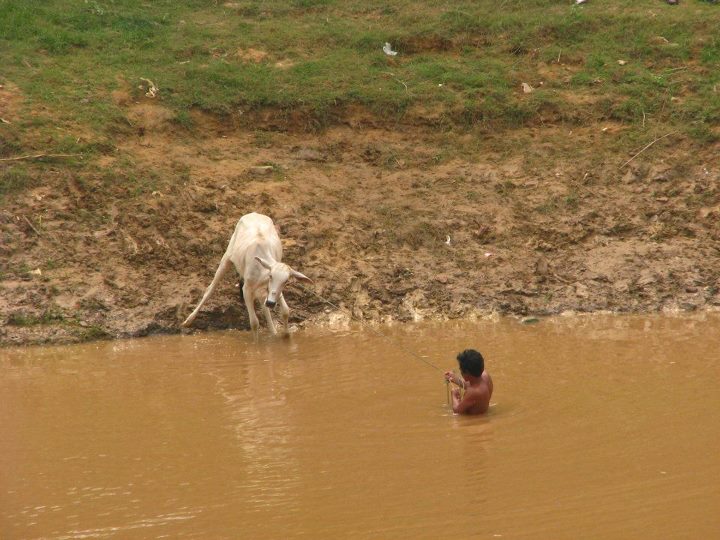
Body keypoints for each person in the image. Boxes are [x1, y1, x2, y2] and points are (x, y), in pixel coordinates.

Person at [444, 349, 493, 415]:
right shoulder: (485, 375)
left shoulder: (473, 392)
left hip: (475, 421)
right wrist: (455, 379)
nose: (460, 371)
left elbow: (457, 410)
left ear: (466, 373)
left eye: (460, 370)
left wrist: (454, 396)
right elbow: (471, 384)